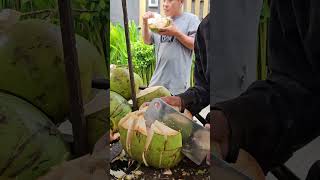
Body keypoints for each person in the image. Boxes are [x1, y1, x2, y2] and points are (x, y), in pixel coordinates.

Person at [163, 0, 320, 178]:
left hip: (288, 154)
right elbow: (298, 85)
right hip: (242, 146)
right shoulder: (205, 29)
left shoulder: (258, 16)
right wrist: (231, 121)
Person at [142, 0, 200, 95]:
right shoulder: (160, 21)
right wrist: (145, 23)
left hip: (178, 87)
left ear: (181, 2)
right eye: (164, 1)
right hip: (156, 83)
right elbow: (147, 41)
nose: (165, 4)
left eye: (169, 0)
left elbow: (195, 45)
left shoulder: (191, 19)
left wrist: (176, 33)